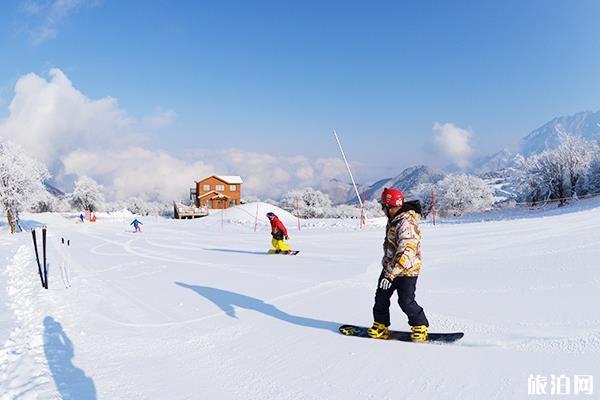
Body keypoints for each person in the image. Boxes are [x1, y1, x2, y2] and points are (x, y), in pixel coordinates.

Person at [368, 188, 429, 342]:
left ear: (391, 207)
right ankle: (381, 325)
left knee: (405, 301)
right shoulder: (394, 219)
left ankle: (420, 326)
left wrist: (391, 274)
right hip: (390, 267)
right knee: (381, 297)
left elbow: (406, 251)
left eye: (384, 207)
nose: (383, 210)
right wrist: (388, 269)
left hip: (407, 270)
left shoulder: (406, 223)